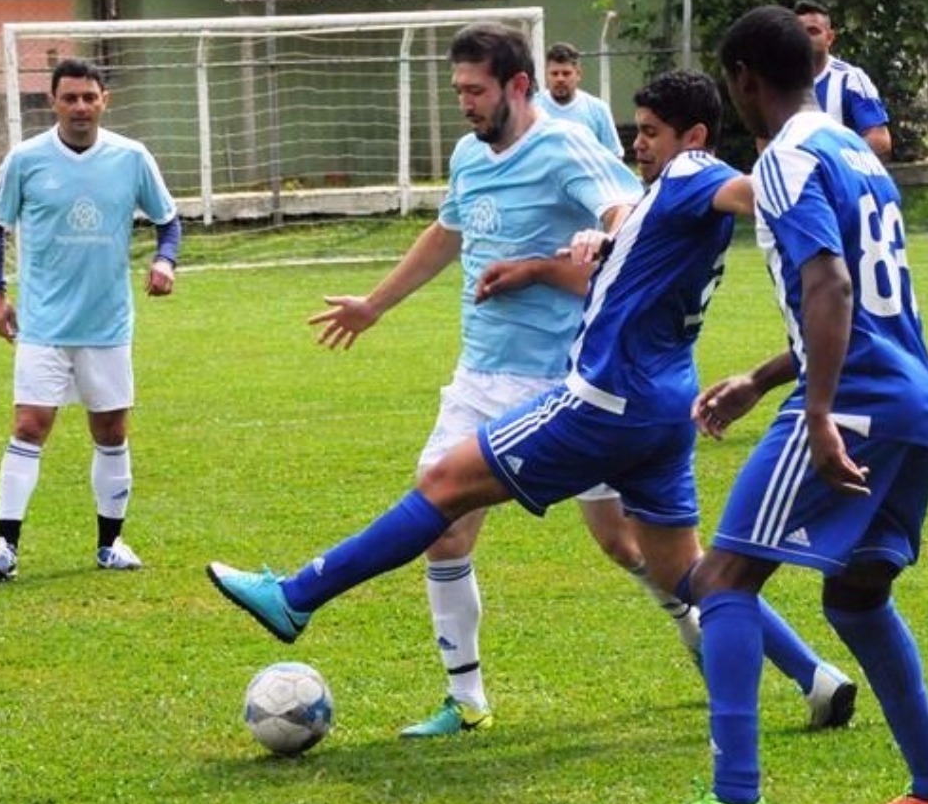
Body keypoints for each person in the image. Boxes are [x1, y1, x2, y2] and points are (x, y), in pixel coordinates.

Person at [210, 55, 857, 738]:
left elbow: (746, 193)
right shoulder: (668, 201)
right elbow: (635, 235)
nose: (636, 145)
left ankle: (297, 596)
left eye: (651, 134)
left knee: (443, 483)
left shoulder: (694, 172)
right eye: (634, 131)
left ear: (693, 137)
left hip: (604, 404)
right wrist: (596, 241)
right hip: (663, 408)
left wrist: (808, 185)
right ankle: (816, 677)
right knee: (689, 573)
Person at [631, 5, 928, 804]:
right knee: (856, 596)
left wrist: (813, 410)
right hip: (913, 396)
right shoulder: (854, 150)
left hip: (854, 397)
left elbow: (830, 288)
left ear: (744, 79)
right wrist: (762, 377)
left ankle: (735, 802)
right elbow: (856, 296)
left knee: (723, 580)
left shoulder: (782, 158)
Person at [0, 57, 182, 581]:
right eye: (70, 98)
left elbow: (169, 221)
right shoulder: (26, 159)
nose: (81, 107)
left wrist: (164, 260)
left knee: (111, 431)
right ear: (54, 102)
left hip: (107, 324)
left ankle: (110, 545)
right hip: (43, 324)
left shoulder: (131, 158)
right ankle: (4, 546)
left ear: (104, 100)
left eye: (89, 97)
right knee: (29, 424)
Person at [796, 0, 893, 158]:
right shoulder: (780, 82)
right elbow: (765, 138)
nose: (805, 38)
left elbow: (880, 140)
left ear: (829, 38)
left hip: (840, 178)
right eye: (799, 32)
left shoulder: (850, 79)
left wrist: (832, 159)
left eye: (813, 31)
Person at [535, 41, 624, 159]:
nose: (560, 79)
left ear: (578, 74)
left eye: (566, 73)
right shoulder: (532, 108)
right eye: (554, 74)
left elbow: (615, 156)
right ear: (547, 75)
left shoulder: (598, 109)